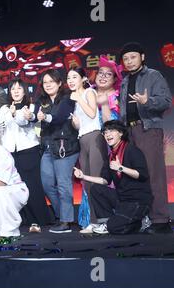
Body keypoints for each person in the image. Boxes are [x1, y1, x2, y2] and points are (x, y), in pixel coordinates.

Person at [119, 42, 172, 234]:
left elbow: (166, 101)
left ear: (142, 57)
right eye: (125, 58)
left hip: (148, 129)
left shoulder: (153, 75)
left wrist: (147, 101)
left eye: (133, 57)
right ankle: (144, 218)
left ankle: (161, 220)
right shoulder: (125, 81)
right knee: (136, 177)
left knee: (154, 174)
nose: (129, 61)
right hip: (130, 132)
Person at [0, 79, 51, 228]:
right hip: (11, 153)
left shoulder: (31, 106)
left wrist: (19, 115)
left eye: (19, 88)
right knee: (17, 188)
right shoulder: (4, 108)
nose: (16, 91)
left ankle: (40, 219)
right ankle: (23, 220)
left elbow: (26, 123)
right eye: (12, 89)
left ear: (24, 91)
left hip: (29, 151)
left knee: (33, 187)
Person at [73, 120, 153, 234]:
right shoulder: (111, 156)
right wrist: (83, 176)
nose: (107, 135)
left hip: (137, 200)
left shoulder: (131, 150)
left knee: (115, 228)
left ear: (120, 133)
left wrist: (121, 168)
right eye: (105, 133)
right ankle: (107, 223)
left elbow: (142, 175)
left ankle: (139, 221)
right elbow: (104, 180)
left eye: (111, 131)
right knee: (96, 189)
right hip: (122, 198)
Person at [35, 69, 79, 233]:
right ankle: (63, 216)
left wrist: (43, 117)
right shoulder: (41, 100)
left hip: (65, 146)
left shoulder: (67, 99)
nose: (48, 85)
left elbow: (60, 117)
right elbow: (34, 116)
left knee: (63, 184)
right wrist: (29, 116)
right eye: (45, 82)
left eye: (51, 82)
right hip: (48, 147)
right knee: (47, 184)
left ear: (59, 83)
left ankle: (66, 221)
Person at [68, 67, 108, 231]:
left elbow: (92, 114)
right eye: (68, 78)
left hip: (94, 137)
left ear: (83, 79)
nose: (70, 80)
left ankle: (104, 221)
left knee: (97, 180)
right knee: (87, 182)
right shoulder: (74, 100)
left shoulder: (88, 92)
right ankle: (94, 221)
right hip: (82, 139)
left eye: (74, 77)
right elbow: (78, 124)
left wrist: (79, 98)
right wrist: (75, 123)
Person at [95, 55, 122, 125]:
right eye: (100, 72)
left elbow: (115, 125)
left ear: (115, 79)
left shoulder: (119, 97)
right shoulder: (89, 92)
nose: (103, 76)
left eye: (108, 74)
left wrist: (105, 104)